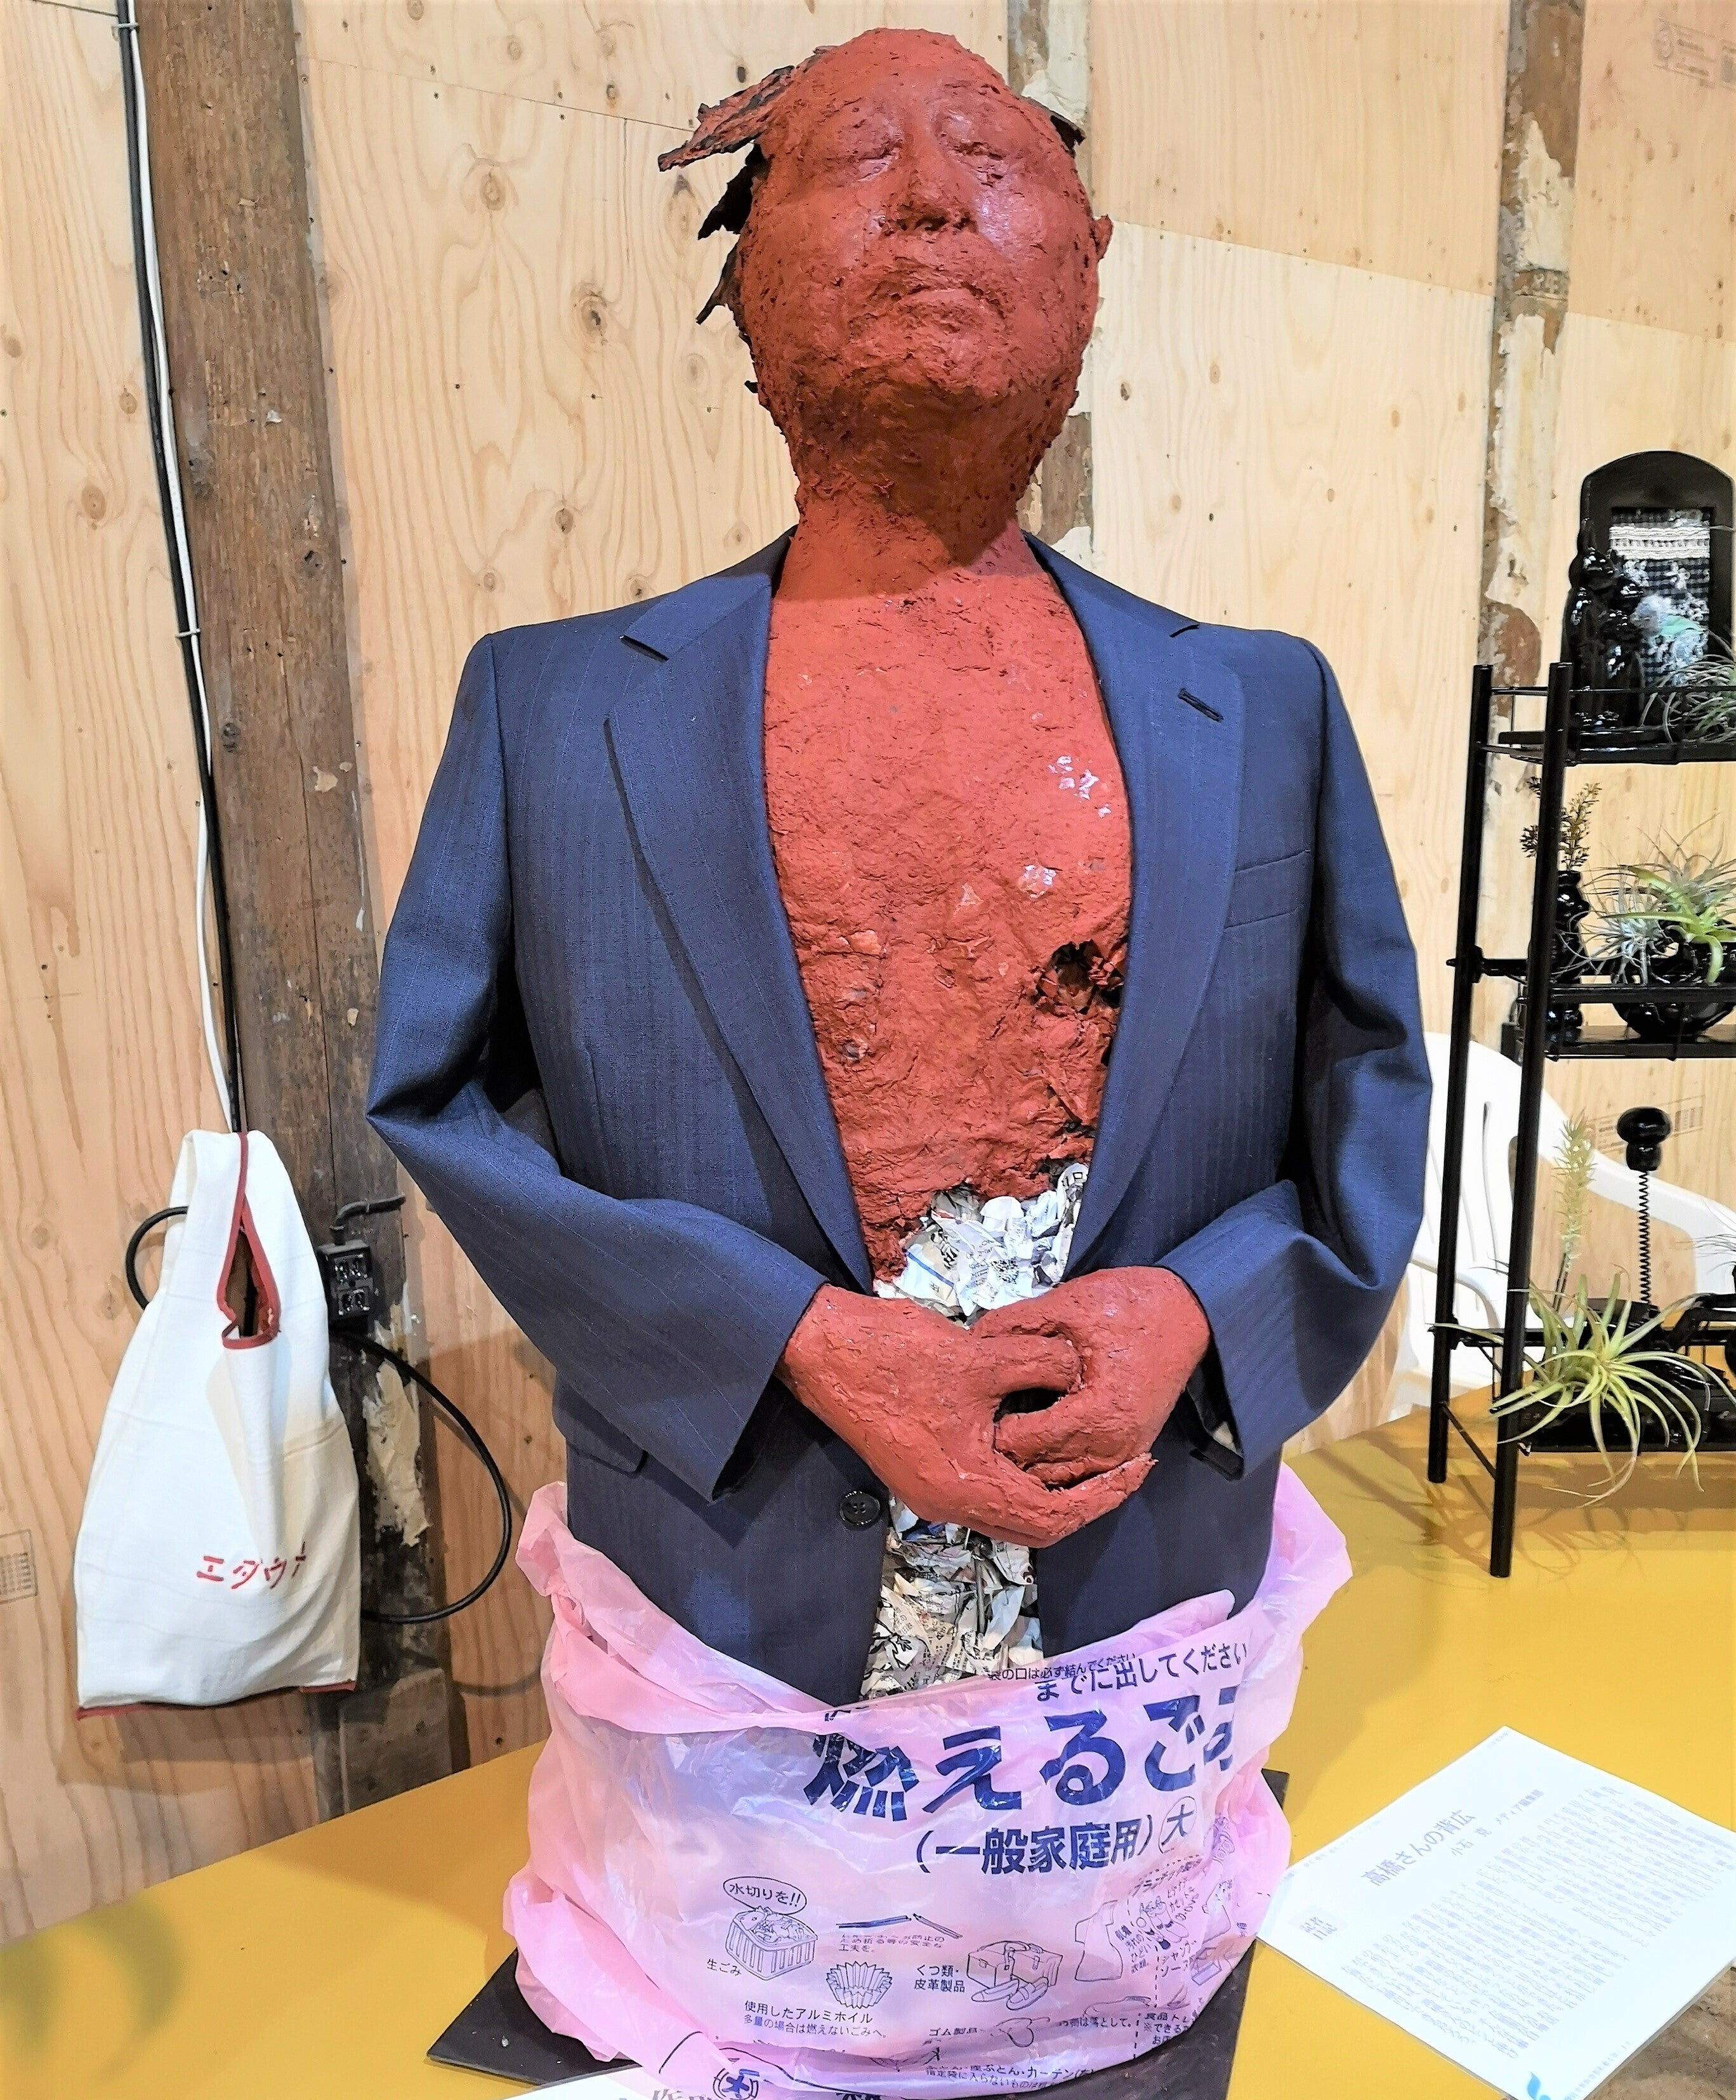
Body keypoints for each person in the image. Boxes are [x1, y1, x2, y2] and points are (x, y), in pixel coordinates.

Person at [369, 29, 1429, 1708]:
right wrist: (786, 1337)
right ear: (745, 277)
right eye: (858, 158)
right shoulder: (552, 708)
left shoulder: (1261, 701)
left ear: (1088, 269)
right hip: (731, 1589)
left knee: (1126, 1891)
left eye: (995, 161)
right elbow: (441, 1093)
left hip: (1145, 1575)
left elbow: (1360, 1075)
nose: (934, 195)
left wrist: (1200, 1314)